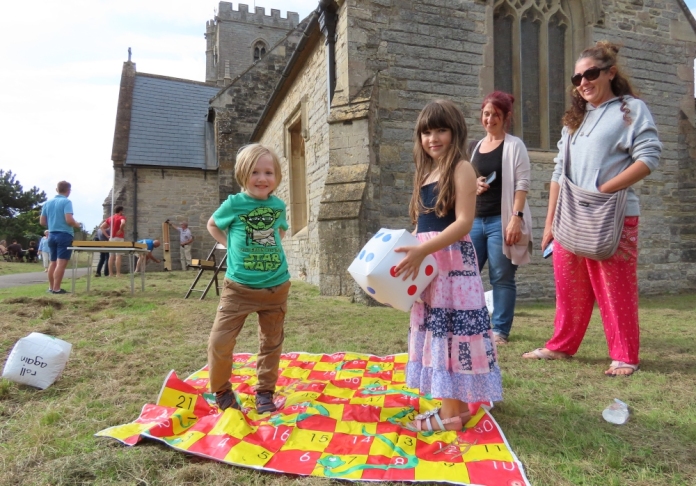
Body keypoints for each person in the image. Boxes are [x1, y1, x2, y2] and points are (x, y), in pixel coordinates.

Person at [522, 41, 662, 376]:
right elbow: (558, 171)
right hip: (570, 214)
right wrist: (549, 223)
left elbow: (648, 157)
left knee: (616, 287)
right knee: (568, 285)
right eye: (577, 78)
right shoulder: (575, 119)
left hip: (611, 214)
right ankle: (560, 346)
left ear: (610, 73)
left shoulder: (631, 109)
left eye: (591, 74)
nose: (583, 82)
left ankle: (625, 355)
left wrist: (604, 189)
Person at [393, 100, 503, 432]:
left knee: (452, 334)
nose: (433, 138)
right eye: (426, 132)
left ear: (455, 132)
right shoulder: (426, 171)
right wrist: (408, 248)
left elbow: (464, 223)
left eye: (441, 130)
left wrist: (423, 248)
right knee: (437, 332)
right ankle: (452, 407)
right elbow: (423, 222)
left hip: (453, 266)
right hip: (429, 266)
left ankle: (451, 415)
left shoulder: (462, 168)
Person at [206, 143, 291, 414]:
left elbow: (281, 233)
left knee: (271, 341)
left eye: (269, 172)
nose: (262, 178)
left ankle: (265, 392)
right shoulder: (234, 203)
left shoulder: (278, 206)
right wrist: (230, 246)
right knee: (220, 341)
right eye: (255, 172)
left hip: (276, 287)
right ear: (243, 174)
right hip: (239, 288)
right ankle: (221, 391)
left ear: (276, 177)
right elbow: (213, 225)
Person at [469, 92, 533, 345]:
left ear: (506, 117)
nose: (489, 118)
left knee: (501, 277)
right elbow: (465, 179)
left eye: (495, 114)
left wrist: (515, 218)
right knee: (467, 273)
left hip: (501, 219)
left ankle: (500, 331)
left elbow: (522, 183)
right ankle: (472, 323)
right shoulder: (474, 148)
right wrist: (474, 183)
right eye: (486, 113)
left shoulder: (514, 145)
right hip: (474, 220)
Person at [40, 181, 81, 294]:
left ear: (56, 189)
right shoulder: (66, 202)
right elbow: (69, 219)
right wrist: (77, 224)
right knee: (61, 263)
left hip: (51, 234)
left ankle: (51, 287)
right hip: (64, 234)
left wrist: (54, 221)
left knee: (52, 262)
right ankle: (57, 288)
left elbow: (42, 222)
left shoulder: (47, 203)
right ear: (68, 190)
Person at [101, 206, 126, 277]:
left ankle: (110, 273)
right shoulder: (121, 217)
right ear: (120, 211)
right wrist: (121, 229)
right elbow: (123, 223)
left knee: (111, 256)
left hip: (111, 238)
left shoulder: (110, 218)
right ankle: (118, 273)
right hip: (119, 238)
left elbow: (102, 227)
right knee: (118, 256)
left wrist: (107, 236)